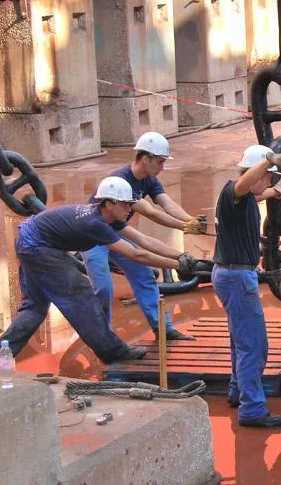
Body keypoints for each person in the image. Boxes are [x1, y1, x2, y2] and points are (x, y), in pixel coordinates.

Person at [0, 177, 196, 368]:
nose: (130, 208)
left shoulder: (108, 217)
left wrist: (179, 256)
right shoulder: (95, 224)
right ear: (109, 203)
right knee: (82, 295)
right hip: (38, 247)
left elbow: (143, 241)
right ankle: (112, 351)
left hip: (32, 241)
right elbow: (137, 255)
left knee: (35, 308)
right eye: (126, 204)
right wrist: (178, 266)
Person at [83, 132, 202, 341]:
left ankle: (164, 329)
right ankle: (103, 340)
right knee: (103, 288)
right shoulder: (120, 181)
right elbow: (153, 214)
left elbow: (167, 205)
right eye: (159, 162)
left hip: (118, 232)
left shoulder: (149, 180)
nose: (162, 167)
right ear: (145, 159)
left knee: (144, 276)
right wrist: (186, 230)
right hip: (94, 237)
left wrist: (191, 222)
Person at [213, 144, 281, 427]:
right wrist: (270, 160)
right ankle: (252, 409)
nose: (268, 183)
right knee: (254, 345)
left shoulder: (246, 198)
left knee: (240, 339)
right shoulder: (232, 193)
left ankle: (238, 391)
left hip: (231, 275)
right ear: (257, 172)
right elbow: (245, 184)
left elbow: (259, 193)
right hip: (237, 277)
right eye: (268, 177)